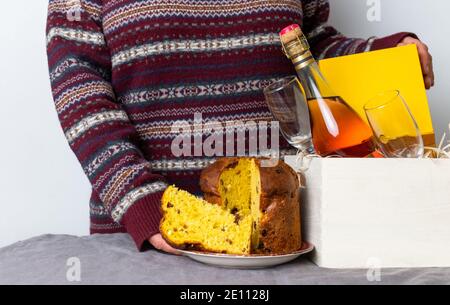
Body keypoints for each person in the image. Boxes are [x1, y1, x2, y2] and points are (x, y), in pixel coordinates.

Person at [46, 0, 434, 255]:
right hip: (144, 239)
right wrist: (140, 200)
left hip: (275, 234)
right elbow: (80, 93)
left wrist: (384, 56)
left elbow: (309, 51)